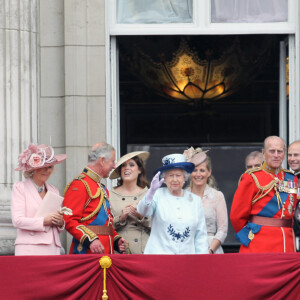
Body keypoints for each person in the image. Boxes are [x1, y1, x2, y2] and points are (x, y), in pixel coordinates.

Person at [230, 136, 298, 253]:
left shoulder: (291, 178)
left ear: (284, 154)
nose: (276, 155)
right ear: (264, 153)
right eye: (272, 151)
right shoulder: (251, 177)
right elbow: (237, 216)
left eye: (279, 151)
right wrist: (248, 237)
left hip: (287, 243)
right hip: (259, 244)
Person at [63, 142, 127, 254]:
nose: (114, 166)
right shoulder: (79, 184)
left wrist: (116, 240)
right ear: (102, 161)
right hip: (87, 251)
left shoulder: (101, 187)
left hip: (105, 251)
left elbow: (104, 223)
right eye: (112, 161)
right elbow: (69, 220)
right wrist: (90, 240)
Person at [137, 153, 208, 254]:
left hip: (187, 259)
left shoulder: (195, 200)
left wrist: (202, 259)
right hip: (159, 257)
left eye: (178, 175)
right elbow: (143, 211)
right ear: (164, 178)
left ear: (185, 178)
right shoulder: (157, 195)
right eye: (170, 175)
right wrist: (151, 192)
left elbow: (200, 234)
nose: (175, 179)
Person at [11, 143, 67, 255]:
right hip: (29, 248)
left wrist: (60, 222)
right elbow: (17, 220)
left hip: (53, 248)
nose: (47, 171)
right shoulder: (20, 188)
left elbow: (58, 222)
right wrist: (43, 221)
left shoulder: (54, 190)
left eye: (50, 167)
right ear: (32, 169)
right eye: (43, 167)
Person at [184, 147, 228, 254]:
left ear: (209, 172)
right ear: (190, 173)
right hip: (187, 248)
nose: (198, 174)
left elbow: (222, 230)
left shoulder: (217, 196)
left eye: (202, 170)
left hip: (211, 249)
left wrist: (210, 250)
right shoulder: (182, 195)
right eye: (195, 170)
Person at [109, 151, 150, 254]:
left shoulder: (149, 194)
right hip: (120, 251)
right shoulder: (109, 195)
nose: (126, 168)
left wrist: (141, 216)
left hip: (144, 250)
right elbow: (104, 227)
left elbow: (159, 225)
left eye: (131, 165)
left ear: (140, 170)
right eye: (123, 165)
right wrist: (120, 219)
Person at [287, 140, 300, 250]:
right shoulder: (289, 179)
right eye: (289, 155)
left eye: (296, 155)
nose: (292, 159)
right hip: (293, 238)